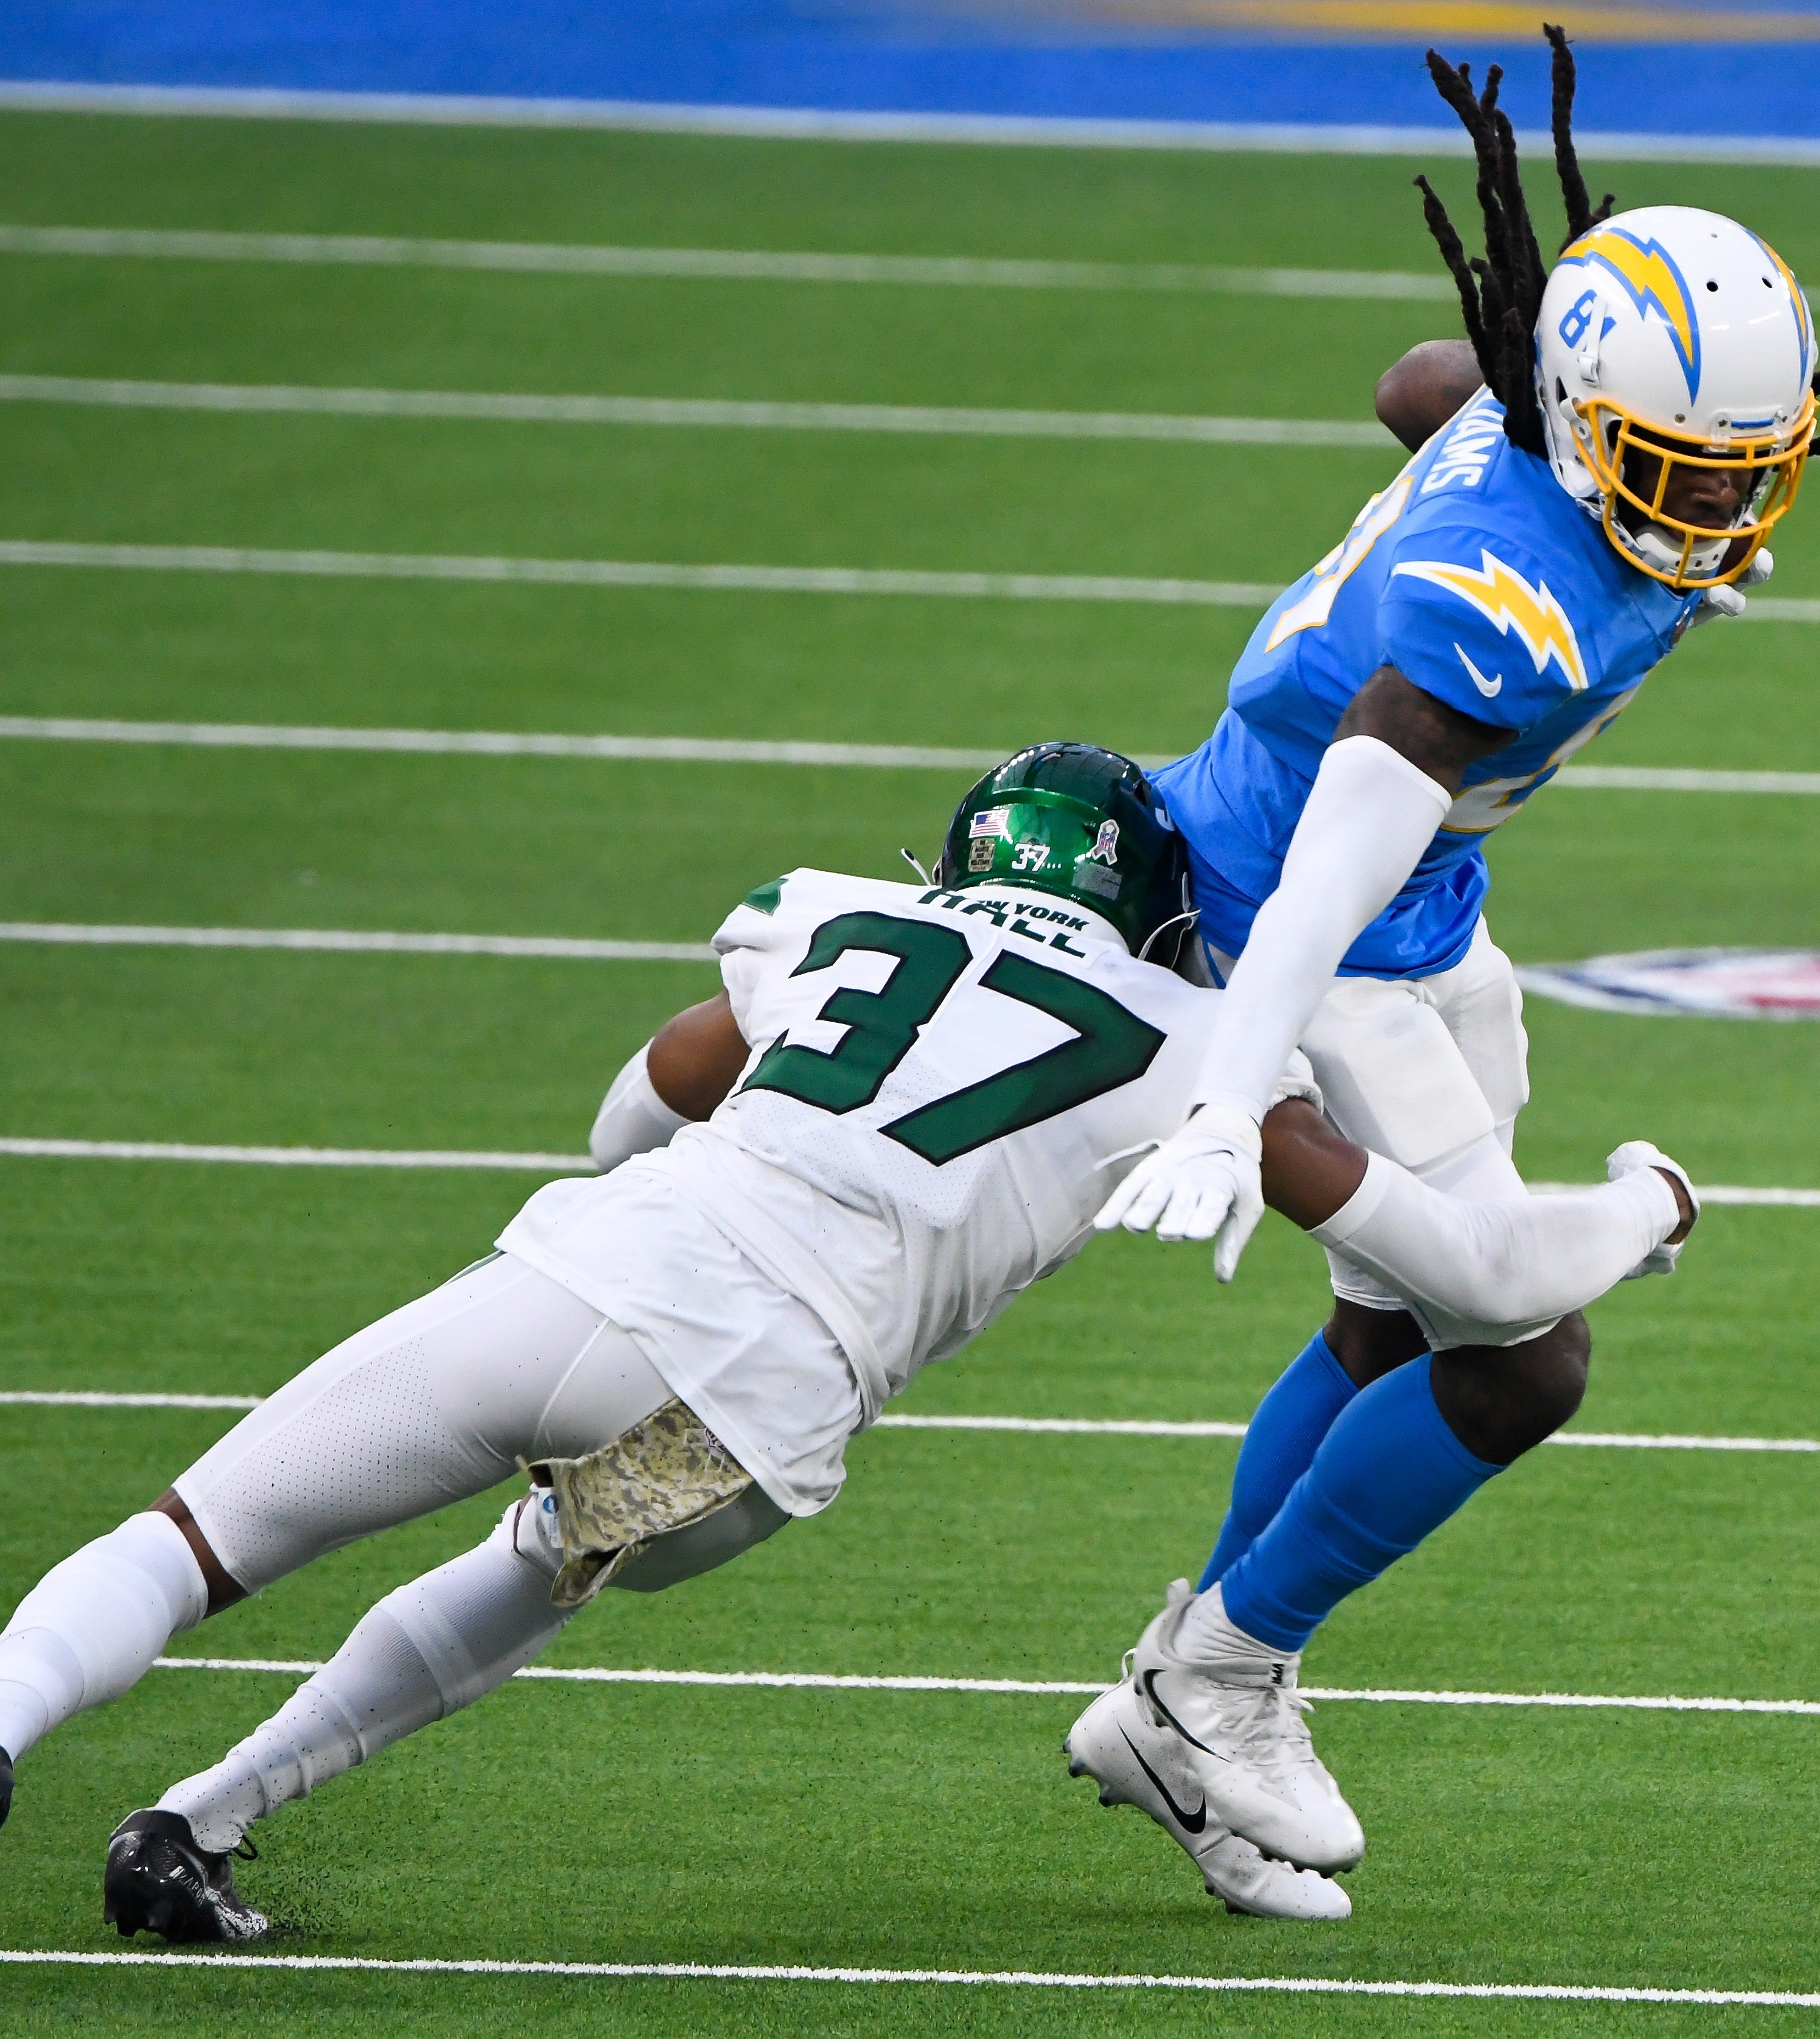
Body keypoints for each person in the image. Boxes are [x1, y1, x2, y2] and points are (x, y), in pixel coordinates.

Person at [0, 743, 1697, 1937]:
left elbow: (622, 1122)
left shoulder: (827, 922)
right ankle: (201, 1821)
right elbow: (1472, 1278)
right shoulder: (1202, 1041)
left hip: (597, 1280)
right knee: (538, 1571)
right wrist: (1646, 1209)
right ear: (1169, 913)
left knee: (196, 1539)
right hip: (747, 1423)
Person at [1083, 29, 1820, 1883]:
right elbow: (1318, 886)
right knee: (1522, 1358)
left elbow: (1422, 377)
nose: (1713, 516)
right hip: (1304, 920)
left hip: (1425, 914)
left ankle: (1183, 1698)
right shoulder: (1495, 625)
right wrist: (1231, 1099)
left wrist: (1505, 424)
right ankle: (1218, 1676)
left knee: (1389, 1328)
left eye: (1736, 472)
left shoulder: (1530, 417)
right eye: (1675, 472)